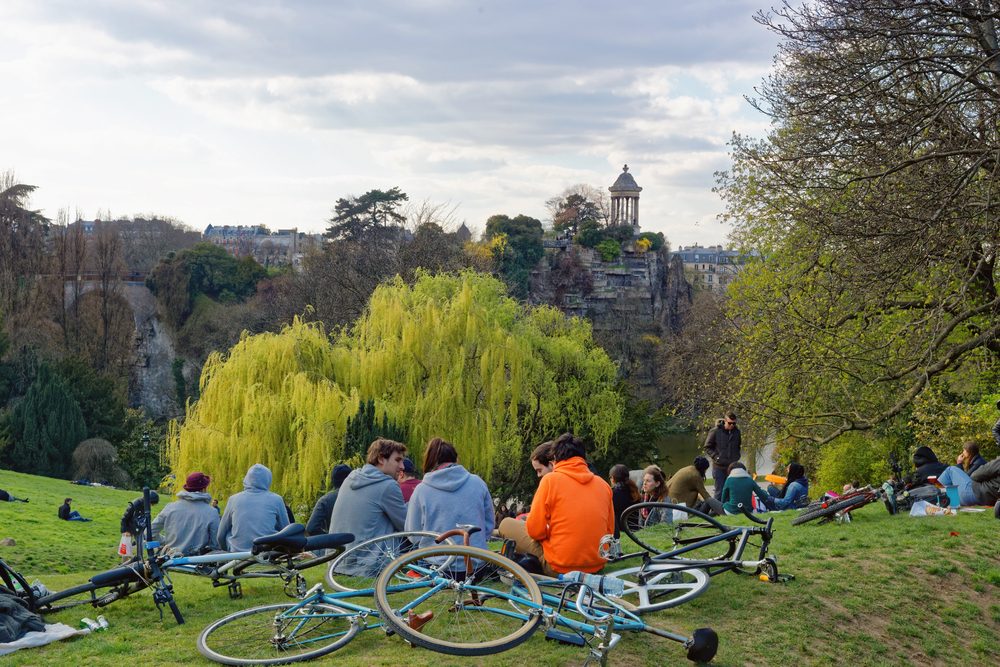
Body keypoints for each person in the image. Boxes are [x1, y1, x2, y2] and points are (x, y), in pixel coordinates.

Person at [497, 433, 614, 576]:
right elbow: (609, 530)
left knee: (506, 524)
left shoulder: (550, 481)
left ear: (555, 459)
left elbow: (535, 532)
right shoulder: (603, 485)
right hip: (596, 566)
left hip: (561, 567)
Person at [405, 437, 494, 552]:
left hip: (434, 561)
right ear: (456, 459)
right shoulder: (478, 483)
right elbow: (489, 524)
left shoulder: (421, 490)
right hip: (475, 559)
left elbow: (413, 534)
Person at [328, 439, 407, 548]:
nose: (402, 466)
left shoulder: (350, 478)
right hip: (372, 563)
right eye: (398, 460)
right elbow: (407, 526)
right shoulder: (387, 486)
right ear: (381, 459)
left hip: (338, 559)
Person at [218, 464, 289, 552]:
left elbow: (221, 535)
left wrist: (226, 549)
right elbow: (287, 531)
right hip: (266, 552)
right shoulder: (276, 499)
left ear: (247, 479)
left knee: (228, 529)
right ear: (268, 480)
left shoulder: (233, 499)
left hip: (237, 553)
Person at [151, 472, 221, 555]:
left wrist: (165, 541)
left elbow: (149, 532)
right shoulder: (212, 512)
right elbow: (215, 544)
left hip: (170, 558)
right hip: (197, 562)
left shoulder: (170, 507)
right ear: (203, 489)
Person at [305, 464, 352, 536]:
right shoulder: (361, 496)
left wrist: (330, 538)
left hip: (336, 545)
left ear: (332, 480)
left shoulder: (325, 500)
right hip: (361, 544)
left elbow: (311, 528)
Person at [704, 412, 742, 501]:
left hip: (732, 467)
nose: (732, 425)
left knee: (731, 491)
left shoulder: (737, 432)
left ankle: (729, 513)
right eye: (730, 423)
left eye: (734, 423)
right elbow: (707, 447)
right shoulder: (715, 431)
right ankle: (716, 512)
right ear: (725, 421)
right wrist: (716, 457)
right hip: (719, 467)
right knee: (719, 492)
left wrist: (736, 457)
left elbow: (738, 446)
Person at [609, 464, 640, 537]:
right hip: (635, 529)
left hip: (620, 530)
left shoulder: (612, 494)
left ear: (612, 478)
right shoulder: (634, 489)